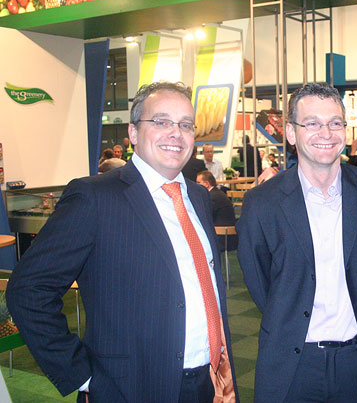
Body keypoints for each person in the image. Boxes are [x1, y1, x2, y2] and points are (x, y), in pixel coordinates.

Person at [6, 81, 238, 402]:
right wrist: (82, 375)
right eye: (161, 122)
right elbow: (29, 289)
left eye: (186, 125)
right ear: (133, 133)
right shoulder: (94, 197)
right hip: (129, 387)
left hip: (208, 380)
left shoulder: (197, 196)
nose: (176, 133)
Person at [237, 82, 357, 402]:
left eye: (335, 122)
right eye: (312, 123)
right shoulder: (262, 202)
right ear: (290, 132)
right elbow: (259, 280)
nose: (326, 133)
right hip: (293, 362)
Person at [196, 170, 237, 251]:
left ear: (207, 183)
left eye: (198, 182)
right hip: (225, 234)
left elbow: (205, 216)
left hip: (222, 238)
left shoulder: (212, 197)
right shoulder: (216, 193)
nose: (196, 185)